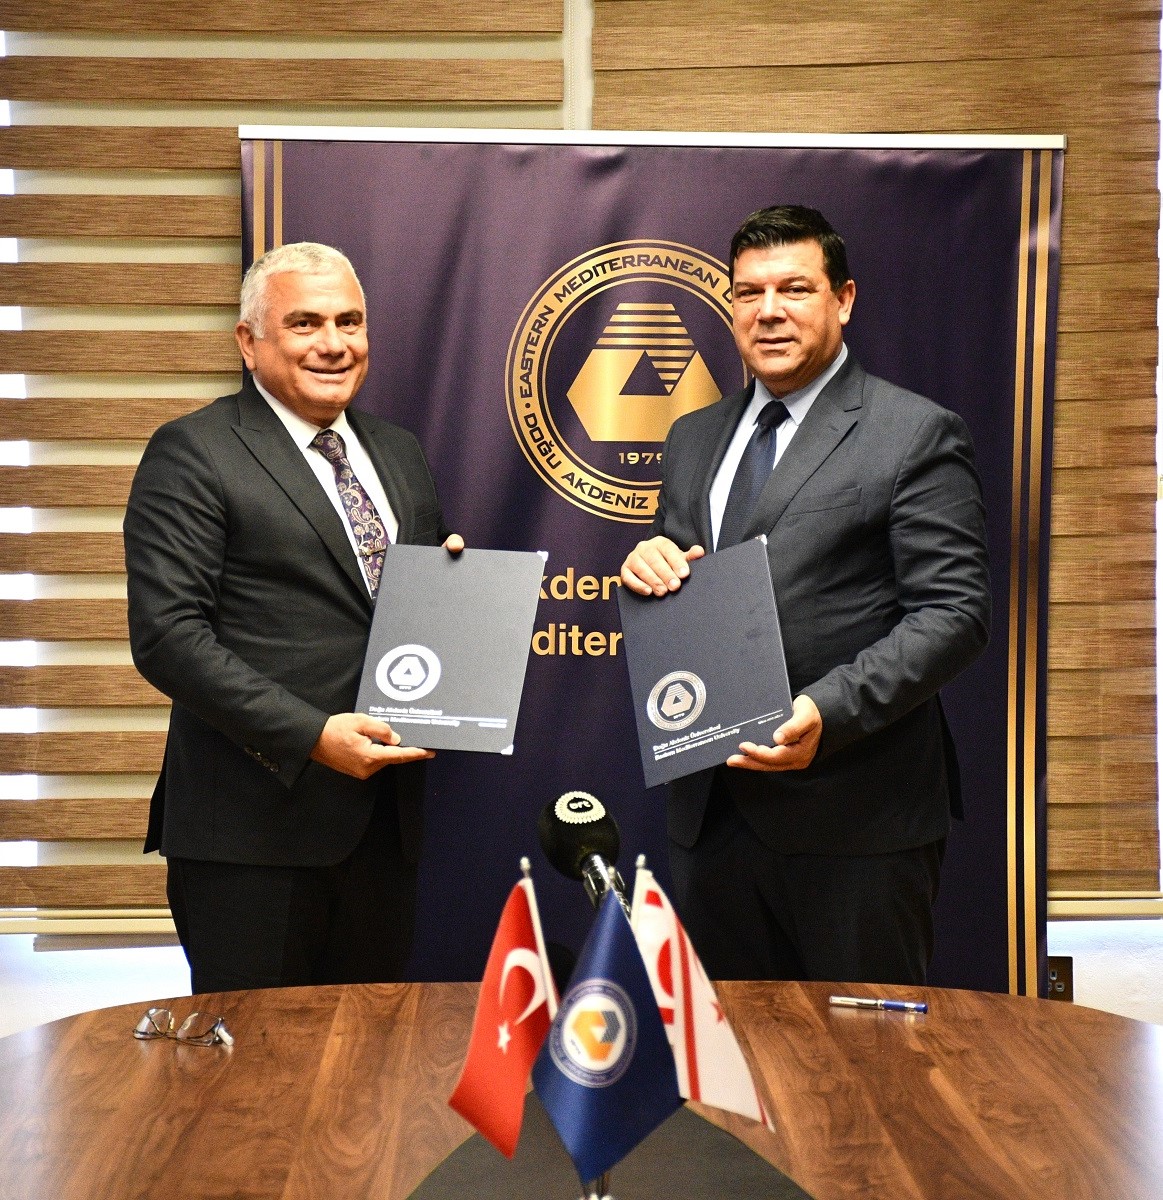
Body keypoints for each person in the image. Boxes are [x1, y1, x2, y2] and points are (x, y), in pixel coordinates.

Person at [620, 206, 991, 985]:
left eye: (793, 288)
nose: (768, 311)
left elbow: (952, 614)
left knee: (862, 1054)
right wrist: (650, 564)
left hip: (855, 822)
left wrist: (826, 710)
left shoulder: (913, 432)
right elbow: (686, 582)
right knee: (728, 1054)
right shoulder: (692, 437)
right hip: (710, 821)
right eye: (748, 293)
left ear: (843, 299)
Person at [124, 242, 461, 993]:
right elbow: (168, 637)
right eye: (304, 323)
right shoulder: (194, 452)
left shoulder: (398, 452)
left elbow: (400, 614)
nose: (333, 344)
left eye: (350, 322)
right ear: (249, 341)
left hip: (382, 831)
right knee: (258, 1062)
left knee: (369, 1053)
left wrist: (451, 590)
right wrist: (311, 736)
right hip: (251, 840)